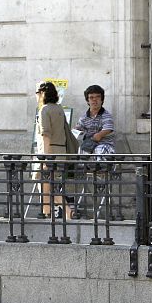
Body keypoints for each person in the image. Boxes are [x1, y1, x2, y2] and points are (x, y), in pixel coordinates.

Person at [35, 81, 70, 217]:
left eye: (37, 93)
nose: (36, 96)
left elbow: (46, 134)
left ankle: (51, 213)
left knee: (44, 184)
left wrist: (44, 158)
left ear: (42, 93)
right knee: (49, 185)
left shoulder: (44, 109)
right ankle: (50, 212)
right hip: (61, 152)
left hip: (49, 152)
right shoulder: (59, 108)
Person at [76, 85, 115, 157]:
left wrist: (96, 136)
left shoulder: (107, 116)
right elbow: (77, 130)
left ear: (102, 100)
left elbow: (105, 131)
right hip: (89, 144)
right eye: (91, 97)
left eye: (98, 97)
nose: (94, 100)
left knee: (100, 150)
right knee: (81, 151)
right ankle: (83, 167)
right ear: (87, 101)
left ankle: (102, 168)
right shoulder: (83, 118)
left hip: (104, 145)